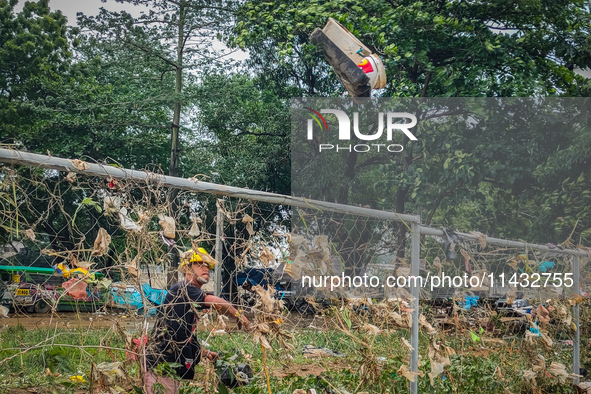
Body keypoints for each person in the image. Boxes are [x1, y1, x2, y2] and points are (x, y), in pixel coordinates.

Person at [144, 247, 251, 394]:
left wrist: (204, 353)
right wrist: (240, 316)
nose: (206, 268)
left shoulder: (190, 296)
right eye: (199, 264)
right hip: (162, 364)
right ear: (187, 268)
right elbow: (215, 302)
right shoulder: (183, 288)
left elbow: (181, 334)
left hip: (166, 365)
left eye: (207, 265)